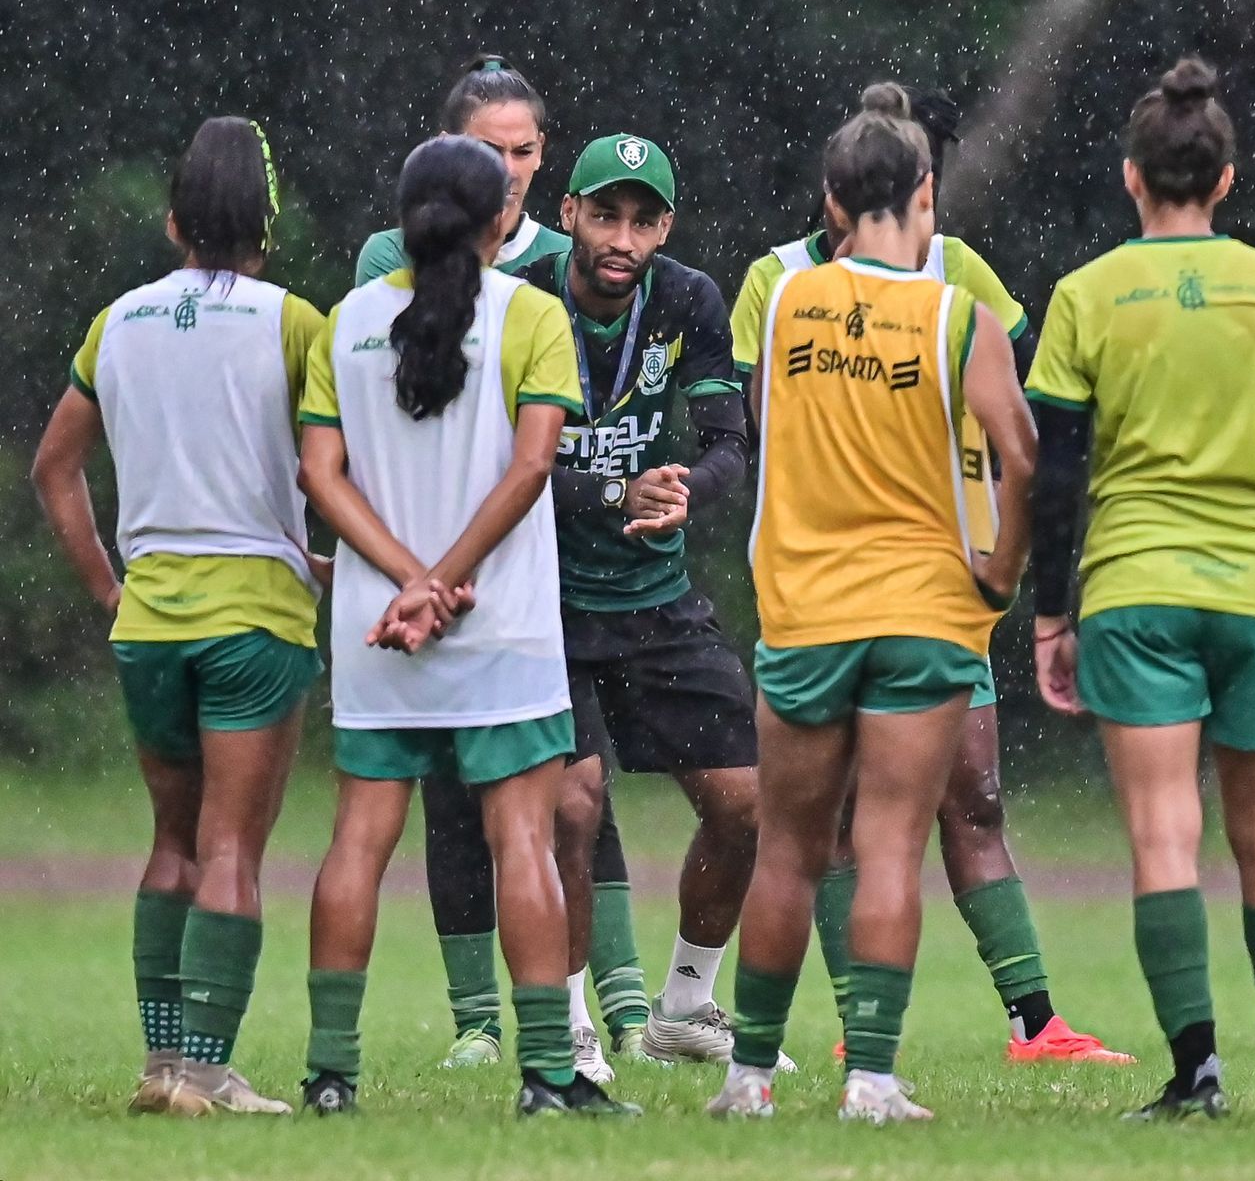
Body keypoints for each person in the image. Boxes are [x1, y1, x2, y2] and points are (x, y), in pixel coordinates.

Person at [730, 86, 1125, 1065]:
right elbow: (759, 429)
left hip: (913, 593)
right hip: (888, 591)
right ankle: (857, 1041)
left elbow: (1031, 391)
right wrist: (1016, 565)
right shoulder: (773, 284)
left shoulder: (956, 281)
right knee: (841, 835)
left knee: (969, 797)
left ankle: (1033, 1020)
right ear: (920, 188)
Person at [707, 83, 1036, 1122]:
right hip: (923, 612)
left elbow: (763, 427)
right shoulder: (958, 317)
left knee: (789, 849)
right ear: (925, 194)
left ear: (833, 200)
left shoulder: (787, 299)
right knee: (893, 841)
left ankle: (749, 1076)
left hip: (806, 611)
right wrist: (1001, 571)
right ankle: (873, 1080)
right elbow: (1023, 452)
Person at [1026, 58, 1255, 1121]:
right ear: (1227, 178)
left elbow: (1057, 473)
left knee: (1166, 834)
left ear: (1131, 178)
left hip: (1136, 588)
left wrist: (1051, 614)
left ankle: (1196, 1072)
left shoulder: (1087, 295)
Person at [297, 135, 633, 1117]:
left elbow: (323, 475)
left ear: (405, 218)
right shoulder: (531, 313)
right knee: (522, 839)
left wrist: (405, 581)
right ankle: (546, 1075)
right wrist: (446, 579)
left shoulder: (349, 318)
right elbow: (531, 469)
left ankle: (330, 1074)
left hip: (375, 626)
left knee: (358, 841)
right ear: (500, 222)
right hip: (503, 625)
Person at [32, 117, 325, 1117]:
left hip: (150, 619)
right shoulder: (295, 323)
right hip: (255, 619)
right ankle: (208, 1070)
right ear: (266, 221)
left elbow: (54, 467)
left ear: (173, 221)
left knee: (172, 839)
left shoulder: (117, 323)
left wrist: (110, 584)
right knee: (234, 844)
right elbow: (334, 466)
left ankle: (161, 1064)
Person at [504, 132, 786, 1069]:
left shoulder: (689, 299)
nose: (622, 237)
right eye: (605, 215)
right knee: (575, 809)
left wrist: (682, 494)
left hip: (655, 602)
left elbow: (728, 446)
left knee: (747, 803)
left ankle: (683, 1010)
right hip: (544, 601)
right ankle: (574, 1028)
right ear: (569, 214)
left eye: (643, 219)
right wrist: (608, 492)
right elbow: (493, 471)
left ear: (665, 226)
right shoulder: (521, 301)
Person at [355, 55, 571, 285]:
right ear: (447, 149)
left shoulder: (567, 258)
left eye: (523, 152)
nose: (508, 170)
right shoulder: (392, 254)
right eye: (488, 152)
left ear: (540, 151)